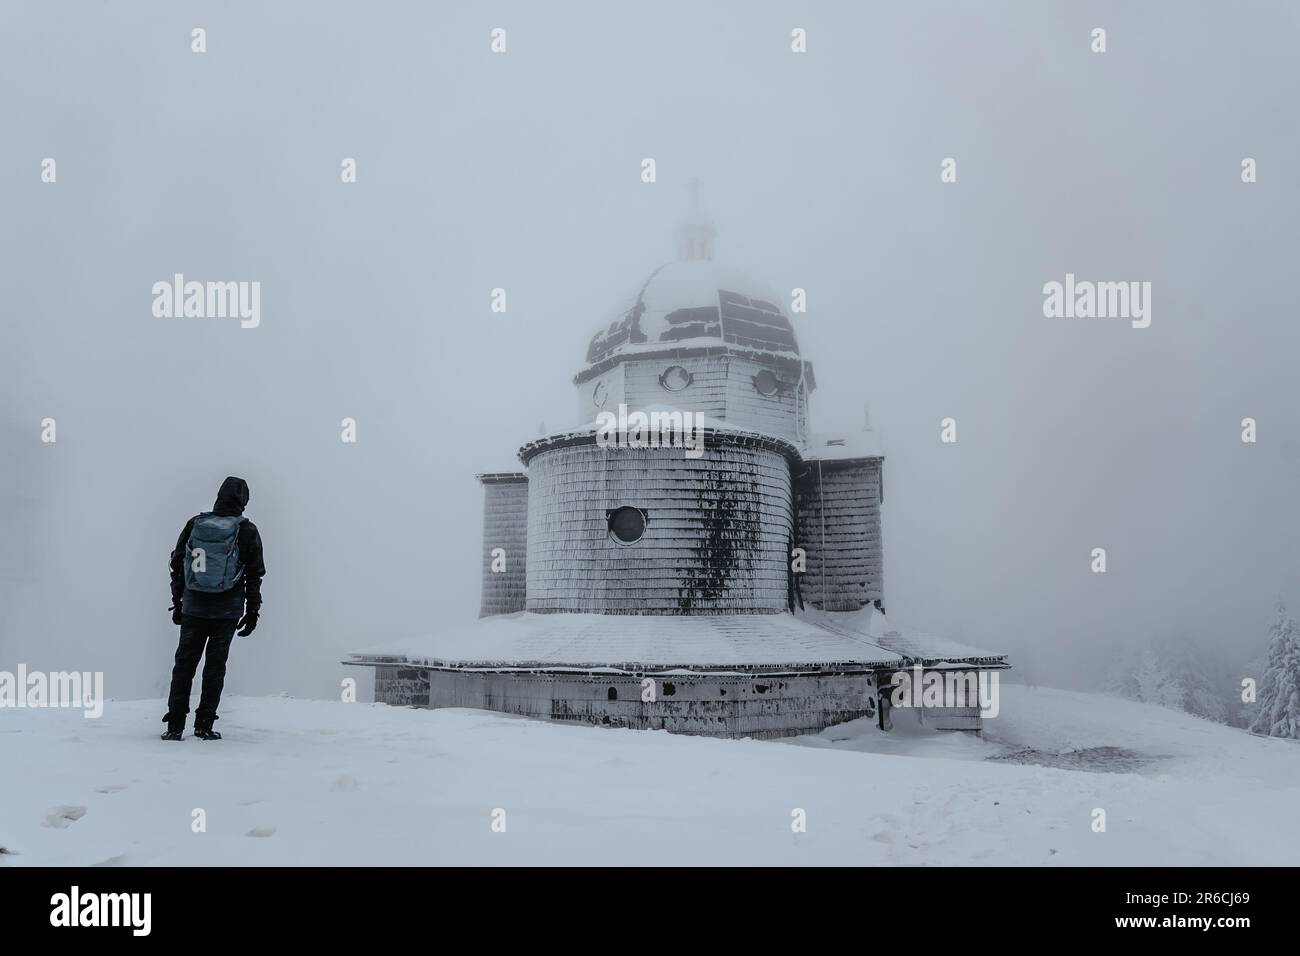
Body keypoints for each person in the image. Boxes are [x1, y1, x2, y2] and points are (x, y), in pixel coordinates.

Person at [162, 476, 265, 740]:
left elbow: (177, 563)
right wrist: (252, 612)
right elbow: (254, 574)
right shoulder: (246, 530)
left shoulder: (196, 524)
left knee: (184, 665)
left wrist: (178, 601)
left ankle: (174, 726)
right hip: (226, 611)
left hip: (193, 607)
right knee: (215, 667)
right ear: (243, 500)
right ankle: (204, 725)